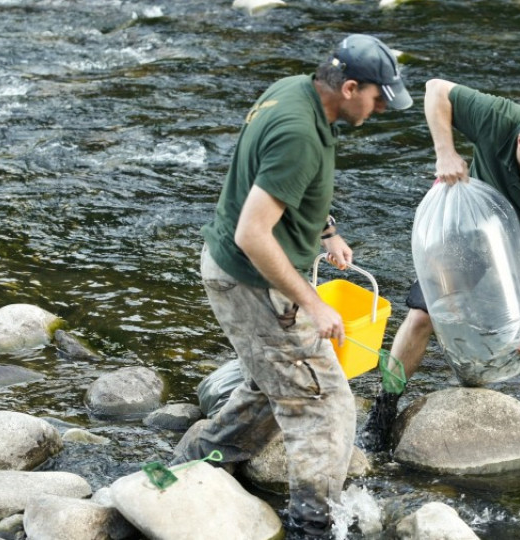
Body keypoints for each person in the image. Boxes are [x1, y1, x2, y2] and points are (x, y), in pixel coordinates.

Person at [172, 34, 411, 538]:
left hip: (232, 269)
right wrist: (314, 304)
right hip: (250, 282)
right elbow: (253, 233)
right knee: (323, 403)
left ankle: (190, 466)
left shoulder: (294, 91)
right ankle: (312, 524)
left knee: (272, 385)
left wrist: (326, 233)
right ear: (349, 87)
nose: (383, 109)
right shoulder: (299, 133)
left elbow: (281, 184)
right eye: (378, 97)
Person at [359, 78, 520, 451]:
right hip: (474, 239)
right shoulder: (498, 119)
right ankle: (384, 408)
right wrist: (445, 152)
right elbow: (435, 89)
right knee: (422, 314)